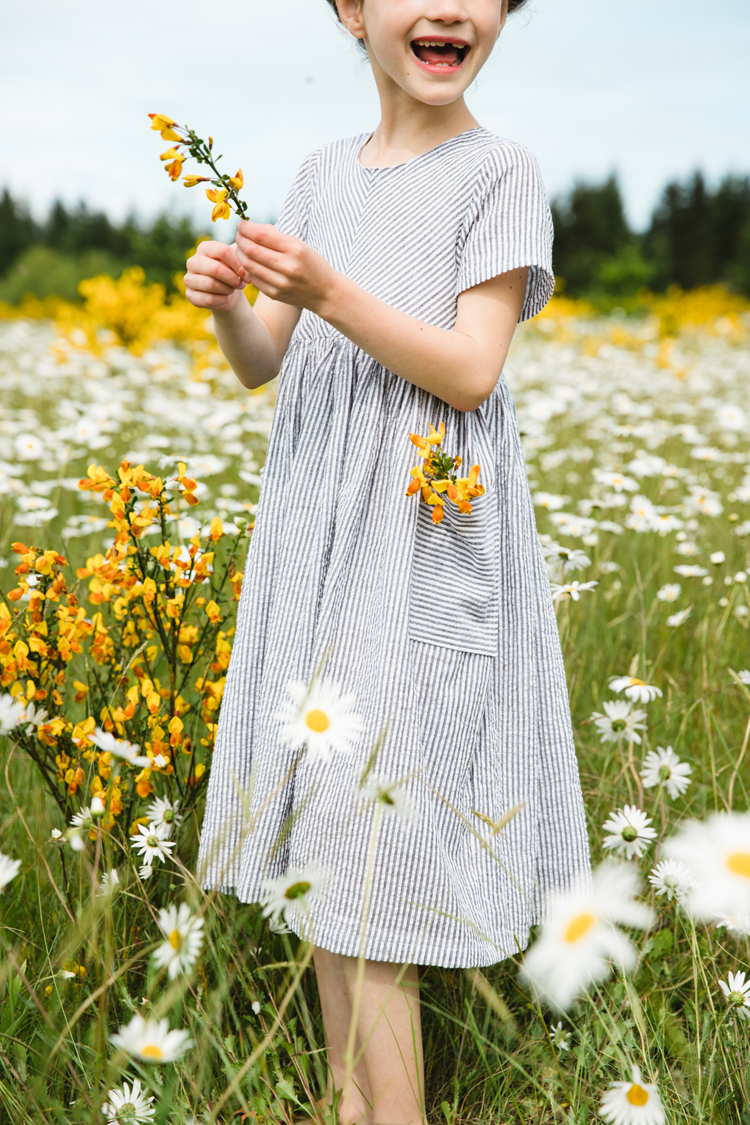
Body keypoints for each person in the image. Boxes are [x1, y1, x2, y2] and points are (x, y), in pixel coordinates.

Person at [186, 1, 591, 1122]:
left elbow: (469, 370)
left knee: (380, 846)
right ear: (354, 10)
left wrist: (327, 291)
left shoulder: (499, 172)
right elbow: (267, 363)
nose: (451, 7)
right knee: (329, 825)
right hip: (318, 540)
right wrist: (233, 307)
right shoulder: (323, 173)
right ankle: (347, 1105)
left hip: (419, 542)